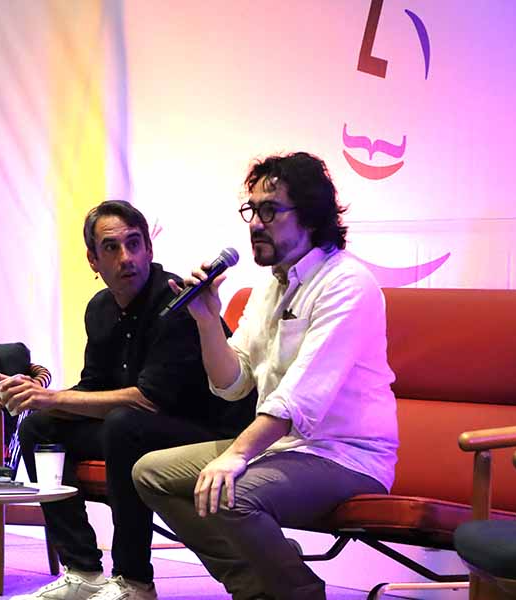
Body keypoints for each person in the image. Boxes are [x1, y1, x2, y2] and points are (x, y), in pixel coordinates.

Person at [132, 152, 399, 600]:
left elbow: (298, 399)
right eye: (251, 209)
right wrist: (205, 318)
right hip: (285, 449)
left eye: (270, 210)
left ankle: (299, 592)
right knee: (149, 473)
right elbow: (232, 382)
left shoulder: (347, 284)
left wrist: (235, 457)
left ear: (311, 217)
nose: (255, 223)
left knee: (233, 493)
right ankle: (255, 585)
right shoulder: (269, 286)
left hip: (347, 458)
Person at [0, 200, 254, 600]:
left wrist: (51, 396)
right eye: (111, 248)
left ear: (149, 248)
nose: (126, 258)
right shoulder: (100, 308)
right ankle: (82, 571)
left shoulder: (176, 301)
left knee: (123, 424)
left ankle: (134, 580)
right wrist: (29, 396)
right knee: (42, 427)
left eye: (134, 244)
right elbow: (93, 386)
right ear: (93, 260)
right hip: (139, 428)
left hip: (207, 431)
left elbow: (149, 400)